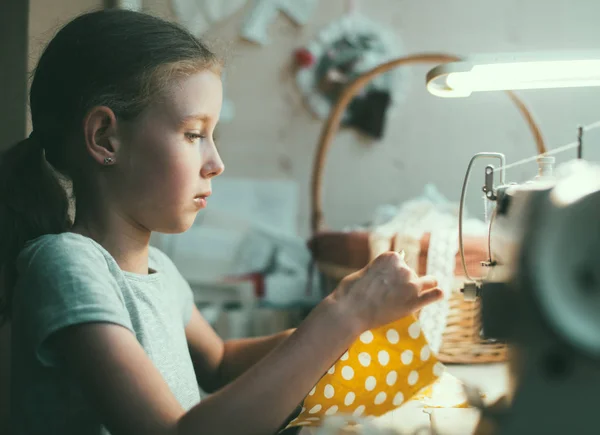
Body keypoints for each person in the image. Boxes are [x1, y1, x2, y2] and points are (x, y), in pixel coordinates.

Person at [0, 9, 443, 435]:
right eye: (194, 134)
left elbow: (221, 361)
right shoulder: (65, 266)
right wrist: (342, 315)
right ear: (105, 136)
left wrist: (355, 324)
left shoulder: (159, 270)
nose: (216, 163)